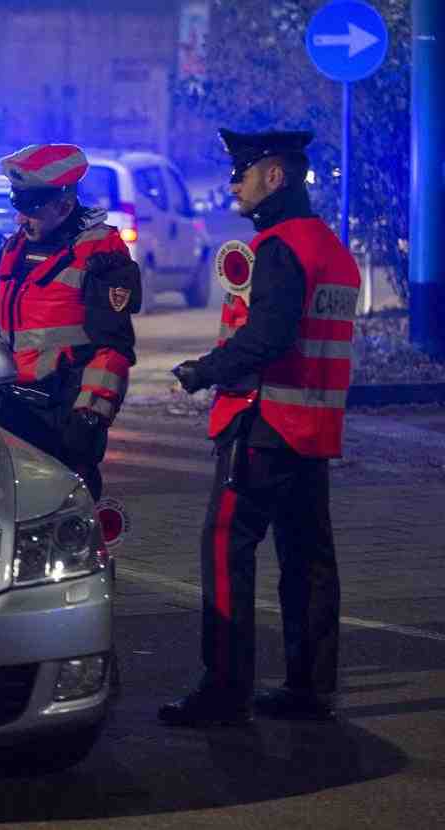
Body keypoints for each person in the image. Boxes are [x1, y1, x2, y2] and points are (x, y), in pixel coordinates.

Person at [161, 128, 359, 726]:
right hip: (312, 427)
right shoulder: (330, 246)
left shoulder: (279, 246)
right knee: (307, 556)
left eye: (242, 172)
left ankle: (225, 690)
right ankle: (309, 686)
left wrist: (204, 370)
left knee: (225, 547)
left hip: (264, 420)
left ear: (275, 177)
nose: (233, 184)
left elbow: (269, 336)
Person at [0, 143, 140, 502]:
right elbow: (5, 316)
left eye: (31, 209)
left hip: (63, 414)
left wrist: (90, 416)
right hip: (12, 409)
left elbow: (113, 349)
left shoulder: (101, 255)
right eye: (18, 206)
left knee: (70, 522)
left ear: (64, 205)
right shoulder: (16, 248)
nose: (20, 219)